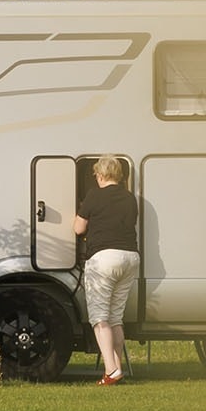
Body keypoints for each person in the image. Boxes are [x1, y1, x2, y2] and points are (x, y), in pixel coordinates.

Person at [71, 156, 140, 384]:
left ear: (99, 175)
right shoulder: (130, 198)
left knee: (100, 318)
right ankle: (116, 368)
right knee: (115, 318)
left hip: (104, 259)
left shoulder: (94, 195)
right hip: (130, 257)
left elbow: (78, 227)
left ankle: (111, 371)